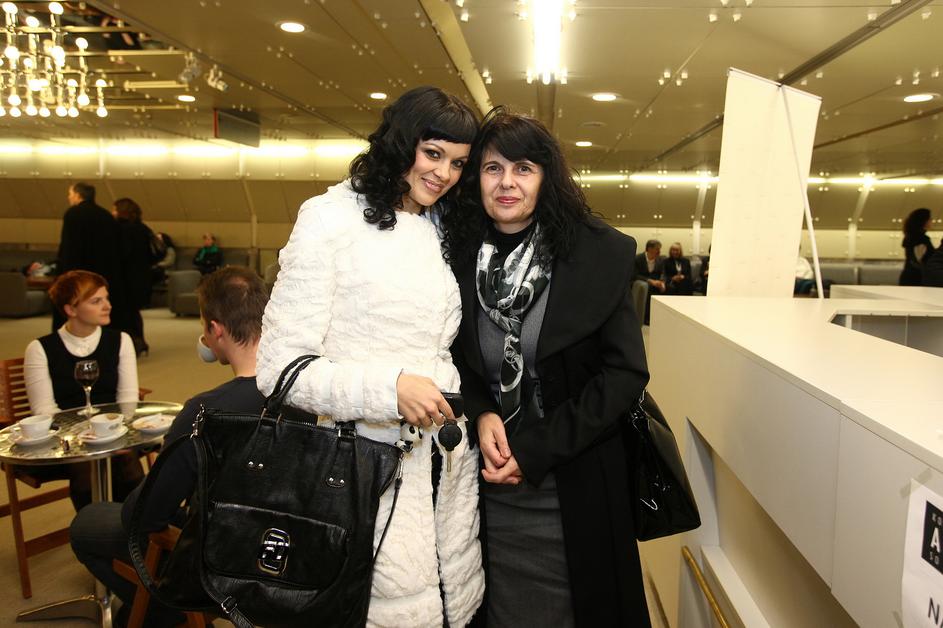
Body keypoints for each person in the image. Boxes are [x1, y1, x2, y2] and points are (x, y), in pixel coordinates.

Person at [256, 86, 484, 627]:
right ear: (402, 143)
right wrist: (389, 390)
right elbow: (280, 370)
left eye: (458, 163)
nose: (444, 174)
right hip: (362, 471)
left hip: (445, 466)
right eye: (433, 154)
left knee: (452, 606)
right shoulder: (328, 219)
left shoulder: (442, 224)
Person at [440, 110, 651, 626]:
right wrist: (482, 411)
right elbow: (456, 357)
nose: (507, 183)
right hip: (487, 483)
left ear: (546, 178)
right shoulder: (456, 255)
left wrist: (536, 449)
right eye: (493, 168)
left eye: (524, 169)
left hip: (574, 478)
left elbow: (624, 374)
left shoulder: (595, 253)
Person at [69, 266, 269, 628]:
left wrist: (158, 471)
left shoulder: (204, 412)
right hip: (276, 549)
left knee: (88, 522)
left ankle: (166, 610)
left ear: (215, 330)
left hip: (218, 556)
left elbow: (145, 517)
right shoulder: (303, 394)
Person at [23, 270, 143, 509]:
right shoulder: (40, 348)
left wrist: (108, 431)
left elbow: (128, 399)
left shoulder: (121, 340)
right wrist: (82, 436)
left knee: (126, 459)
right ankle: (95, 527)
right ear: (71, 309)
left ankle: (134, 526)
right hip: (64, 439)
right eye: (96, 301)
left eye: (106, 298)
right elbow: (44, 409)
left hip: (113, 428)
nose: (107, 306)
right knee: (85, 464)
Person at [55, 182, 125, 332]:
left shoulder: (73, 214)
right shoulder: (106, 215)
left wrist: (65, 273)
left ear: (77, 195)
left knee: (77, 307)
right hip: (103, 273)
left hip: (80, 273)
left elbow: (70, 247)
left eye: (70, 194)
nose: (69, 197)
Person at [113, 198, 156, 356]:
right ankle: (139, 340)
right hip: (142, 277)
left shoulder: (119, 229)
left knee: (124, 314)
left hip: (125, 278)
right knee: (133, 312)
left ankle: (132, 343)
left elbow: (122, 254)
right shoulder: (143, 228)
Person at [633, 239, 665, 324]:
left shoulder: (660, 260)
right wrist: (650, 281)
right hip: (642, 282)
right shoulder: (638, 258)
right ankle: (646, 318)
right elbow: (634, 275)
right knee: (649, 289)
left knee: (670, 288)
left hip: (656, 283)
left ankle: (661, 316)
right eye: (657, 249)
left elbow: (663, 273)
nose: (659, 251)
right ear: (650, 249)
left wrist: (662, 283)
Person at [900, 207, 934, 286]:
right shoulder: (920, 239)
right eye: (930, 219)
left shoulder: (911, 236)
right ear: (924, 221)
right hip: (916, 280)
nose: (931, 221)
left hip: (910, 278)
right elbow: (919, 260)